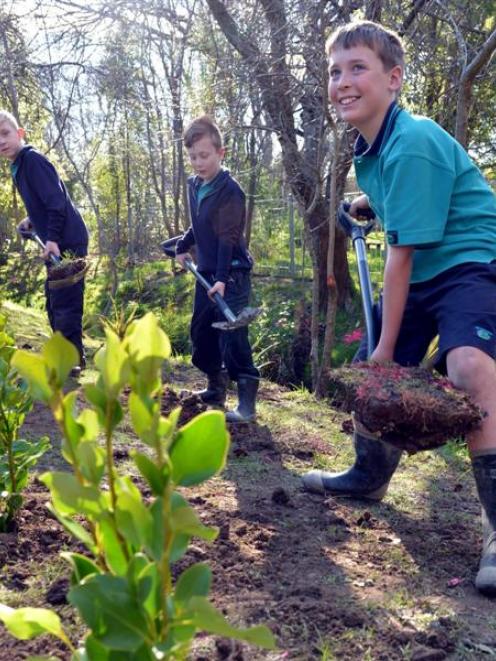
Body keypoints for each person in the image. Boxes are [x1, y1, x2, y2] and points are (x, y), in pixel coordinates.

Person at [302, 21, 496, 596]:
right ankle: (368, 476)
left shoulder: (412, 142)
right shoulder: (372, 149)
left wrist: (387, 354)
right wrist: (364, 201)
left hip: (470, 264)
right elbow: (394, 197)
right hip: (425, 268)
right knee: (369, 374)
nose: (342, 81)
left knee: (469, 368)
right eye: (335, 71)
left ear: (394, 79)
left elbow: (402, 255)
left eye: (357, 68)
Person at [175, 115, 260, 422]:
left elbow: (227, 239)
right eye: (193, 156)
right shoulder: (194, 184)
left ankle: (248, 404)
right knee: (201, 334)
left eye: (205, 155)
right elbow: (199, 224)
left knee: (234, 338)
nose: (198, 163)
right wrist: (182, 247)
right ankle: (216, 386)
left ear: (221, 153)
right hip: (207, 273)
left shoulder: (231, 191)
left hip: (232, 274)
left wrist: (222, 280)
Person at [0, 110, 89, 375]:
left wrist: (51, 239)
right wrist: (31, 220)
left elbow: (57, 203)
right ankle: (70, 357)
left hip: (67, 241)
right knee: (54, 300)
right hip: (57, 239)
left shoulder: (32, 160)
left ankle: (71, 362)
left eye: (5, 134)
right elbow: (45, 201)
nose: (1, 141)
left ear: (20, 134)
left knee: (65, 301)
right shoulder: (19, 165)